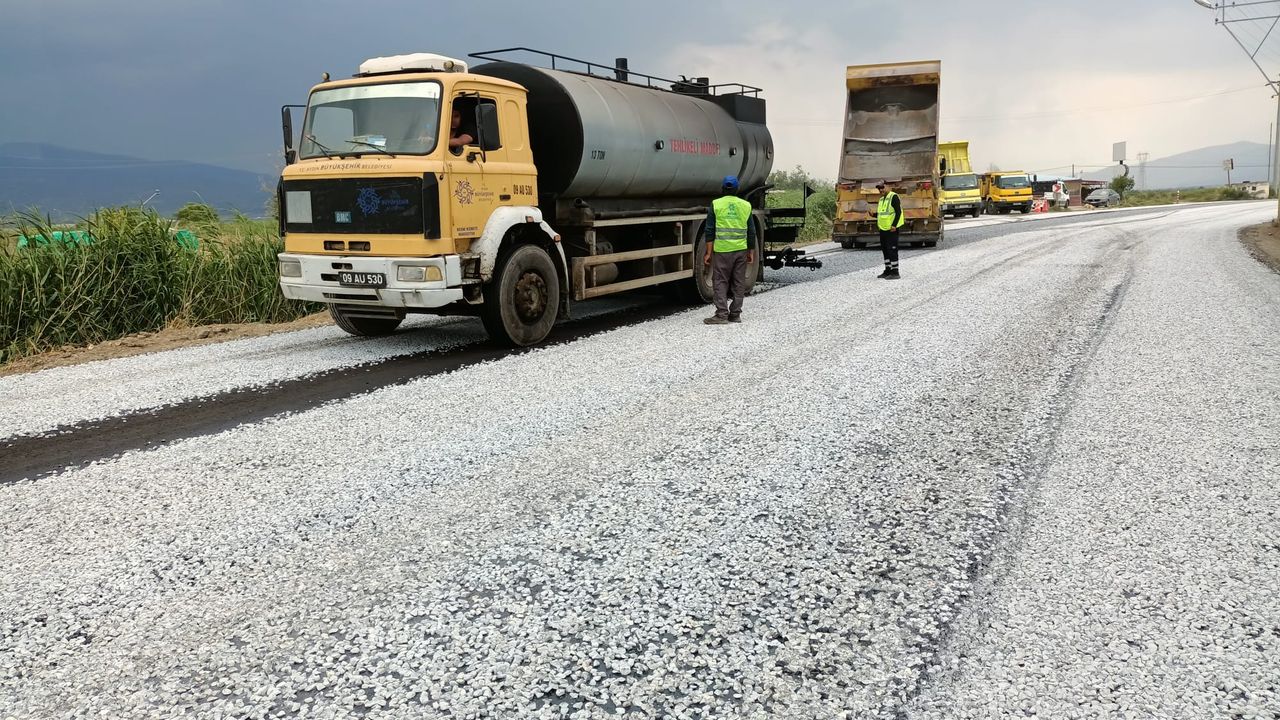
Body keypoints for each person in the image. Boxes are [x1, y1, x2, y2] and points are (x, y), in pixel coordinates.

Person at [702, 175, 756, 324]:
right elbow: (751, 231)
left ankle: (721, 315)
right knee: (738, 282)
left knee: (720, 281)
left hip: (723, 251)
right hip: (741, 250)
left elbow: (710, 230)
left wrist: (708, 252)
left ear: (722, 189)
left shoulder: (716, 204)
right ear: (737, 189)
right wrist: (751, 251)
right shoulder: (746, 205)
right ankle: (735, 314)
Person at [876, 180, 903, 279]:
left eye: (882, 187)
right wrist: (874, 215)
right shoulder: (882, 199)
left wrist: (894, 225)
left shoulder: (893, 196)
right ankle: (888, 270)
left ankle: (895, 272)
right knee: (885, 250)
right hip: (883, 229)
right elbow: (882, 214)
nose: (881, 190)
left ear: (888, 186)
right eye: (879, 188)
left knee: (892, 249)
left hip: (891, 229)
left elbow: (898, 212)